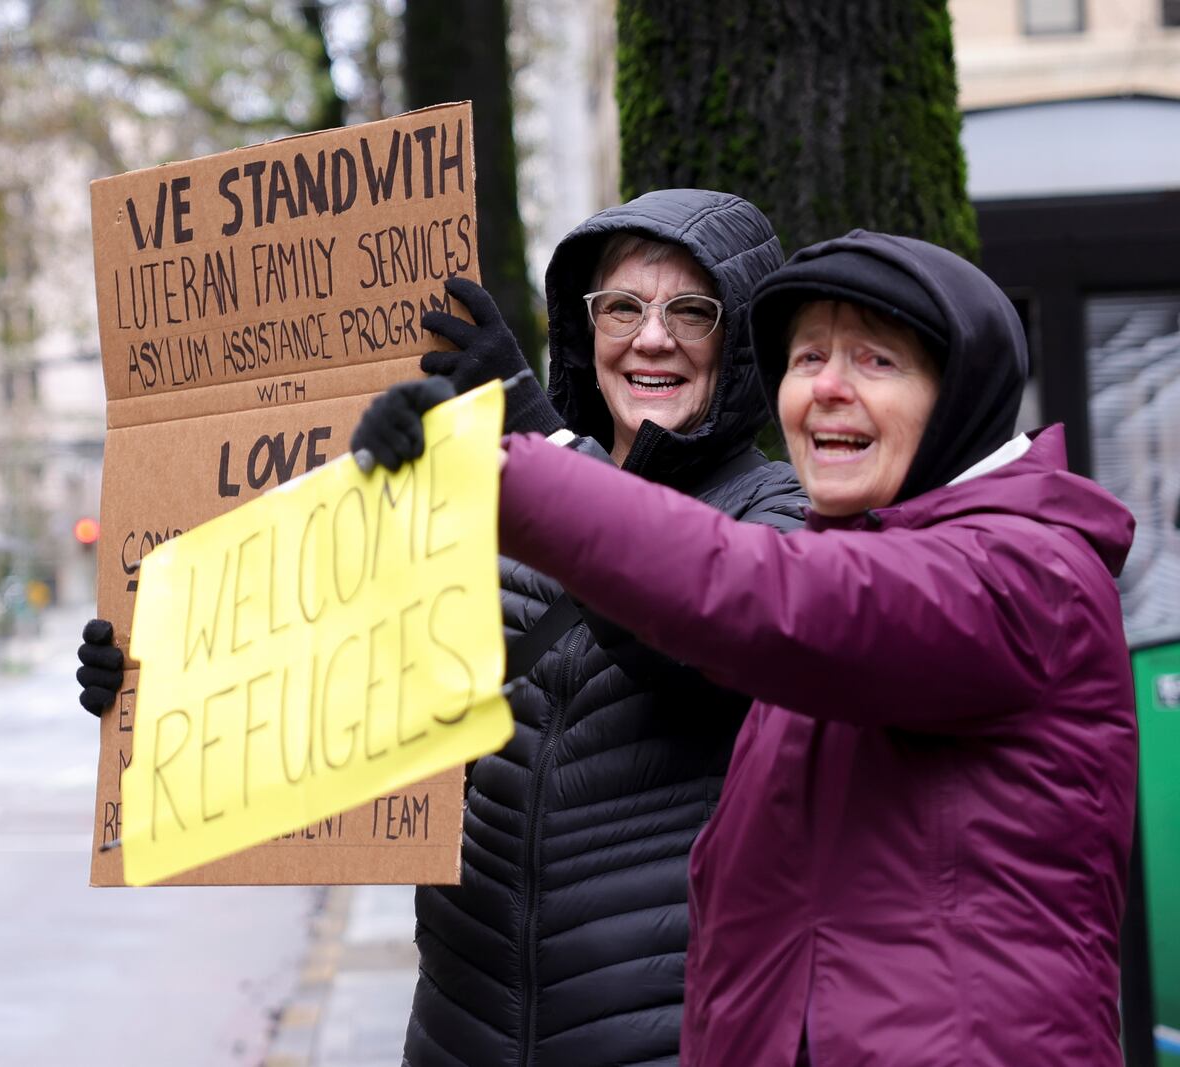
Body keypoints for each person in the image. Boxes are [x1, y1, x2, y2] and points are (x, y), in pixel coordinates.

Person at [362, 229, 1135, 1065]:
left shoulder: (1024, 570)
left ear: (960, 393)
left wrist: (509, 471)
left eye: (876, 361)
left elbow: (756, 593)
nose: (829, 389)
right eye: (807, 360)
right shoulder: (858, 554)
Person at [80, 189, 808, 1066]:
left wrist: (539, 443)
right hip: (462, 1035)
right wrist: (155, 684)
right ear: (586, 332)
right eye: (622, 307)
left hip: (664, 1040)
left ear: (737, 347)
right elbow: (338, 709)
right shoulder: (491, 504)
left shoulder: (786, 517)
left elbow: (701, 646)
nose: (651, 338)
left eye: (691, 311)